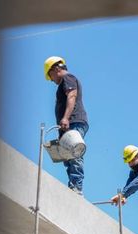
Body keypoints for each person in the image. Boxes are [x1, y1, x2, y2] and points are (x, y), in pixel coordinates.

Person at [44, 55, 89, 195]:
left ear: (56, 69)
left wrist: (65, 118)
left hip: (73, 121)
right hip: (69, 124)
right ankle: (73, 186)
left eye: (50, 76)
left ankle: (77, 188)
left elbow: (72, 96)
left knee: (74, 153)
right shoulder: (64, 81)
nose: (51, 80)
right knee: (69, 156)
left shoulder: (68, 78)